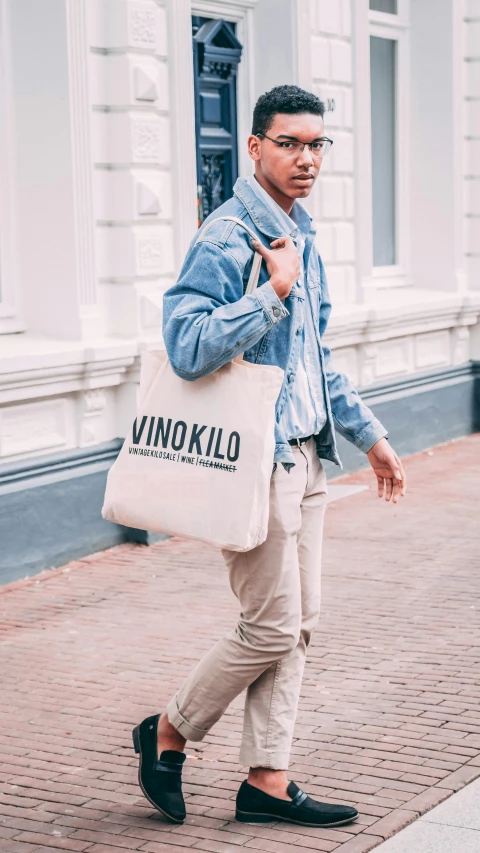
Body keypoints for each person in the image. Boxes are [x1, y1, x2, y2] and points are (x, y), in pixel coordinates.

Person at [132, 85, 407, 829]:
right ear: (254, 147)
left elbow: (317, 361)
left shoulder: (302, 234)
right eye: (290, 143)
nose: (307, 158)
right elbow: (186, 347)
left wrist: (371, 436)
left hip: (308, 459)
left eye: (317, 145)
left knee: (299, 622)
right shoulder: (229, 236)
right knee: (272, 625)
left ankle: (267, 779)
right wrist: (271, 293)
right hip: (256, 466)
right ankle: (167, 731)